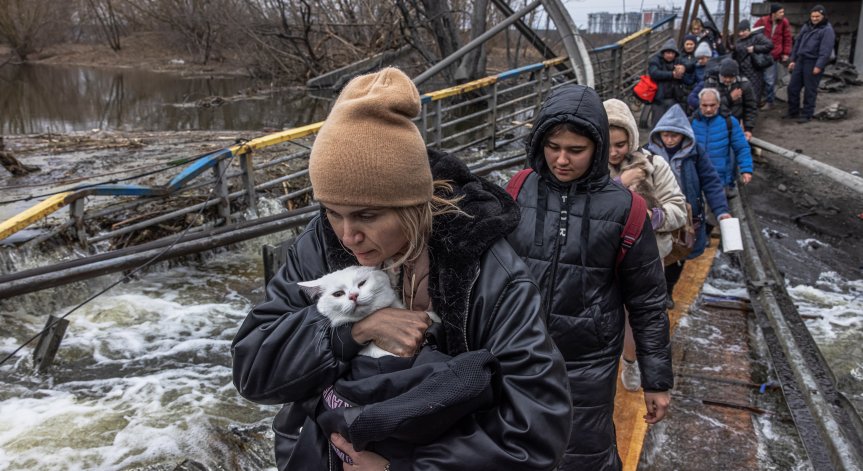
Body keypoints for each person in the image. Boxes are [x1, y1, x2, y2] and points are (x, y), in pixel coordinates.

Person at [231, 67, 572, 470]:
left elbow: (538, 428)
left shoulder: (489, 270)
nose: (347, 235)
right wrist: (352, 333)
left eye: (366, 215)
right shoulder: (317, 244)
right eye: (332, 212)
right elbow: (253, 370)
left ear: (412, 206)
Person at [506, 84, 673, 470]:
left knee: (582, 454)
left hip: (587, 361)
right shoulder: (519, 188)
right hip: (517, 351)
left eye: (575, 150)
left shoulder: (626, 209)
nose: (561, 160)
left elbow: (648, 302)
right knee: (515, 449)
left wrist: (656, 380)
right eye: (552, 147)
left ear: (597, 147)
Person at [604, 98, 687, 392]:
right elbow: (585, 211)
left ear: (632, 139)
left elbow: (679, 208)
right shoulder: (588, 167)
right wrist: (620, 184)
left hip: (646, 257)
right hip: (602, 258)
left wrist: (652, 218)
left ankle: (630, 361)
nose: (614, 152)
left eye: (621, 144)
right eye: (608, 144)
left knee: (634, 315)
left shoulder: (654, 165)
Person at [645, 104, 730, 309]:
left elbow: (710, 181)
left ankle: (668, 290)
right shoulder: (648, 154)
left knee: (679, 253)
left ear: (683, 135)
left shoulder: (694, 153)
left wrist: (721, 211)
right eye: (666, 135)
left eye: (674, 136)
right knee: (655, 252)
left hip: (686, 215)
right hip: (658, 213)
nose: (670, 140)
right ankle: (652, 292)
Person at [691, 88, 754, 189]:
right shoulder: (690, 122)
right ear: (699, 104)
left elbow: (741, 147)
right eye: (704, 105)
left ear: (718, 104)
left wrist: (746, 169)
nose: (708, 109)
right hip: (696, 177)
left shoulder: (729, 122)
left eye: (712, 105)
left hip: (719, 178)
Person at [786, 5, 836, 123]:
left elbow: (826, 50)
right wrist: (793, 60)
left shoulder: (827, 30)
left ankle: (807, 114)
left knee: (810, 90)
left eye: (817, 16)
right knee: (792, 87)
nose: (814, 18)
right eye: (812, 16)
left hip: (813, 62)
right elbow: (797, 43)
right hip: (800, 60)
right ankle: (793, 111)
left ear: (823, 16)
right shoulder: (806, 26)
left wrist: (819, 66)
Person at [688, 58, 759, 140]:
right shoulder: (711, 82)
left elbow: (750, 107)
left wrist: (748, 128)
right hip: (715, 123)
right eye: (725, 76)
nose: (728, 80)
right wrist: (729, 98)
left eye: (731, 77)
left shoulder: (744, 84)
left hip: (735, 124)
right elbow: (710, 106)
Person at [754, 3, 793, 109]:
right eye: (780, 12)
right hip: (761, 53)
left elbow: (787, 38)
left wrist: (785, 53)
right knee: (758, 78)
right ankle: (757, 100)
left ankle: (769, 101)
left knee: (770, 80)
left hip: (773, 55)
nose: (782, 14)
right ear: (773, 13)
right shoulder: (762, 21)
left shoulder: (784, 23)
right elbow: (754, 34)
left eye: (783, 12)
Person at [648, 39, 691, 127]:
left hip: (674, 98)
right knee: (658, 125)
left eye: (672, 53)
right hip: (658, 100)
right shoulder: (655, 60)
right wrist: (672, 75)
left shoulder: (678, 60)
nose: (670, 55)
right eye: (668, 53)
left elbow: (690, 64)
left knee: (673, 125)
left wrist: (683, 68)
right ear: (663, 52)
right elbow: (654, 73)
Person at [732, 20, 774, 103]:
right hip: (742, 72)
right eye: (740, 32)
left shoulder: (757, 37)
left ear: (748, 30)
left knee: (754, 95)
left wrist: (755, 48)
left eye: (743, 31)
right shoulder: (738, 41)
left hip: (755, 71)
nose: (741, 34)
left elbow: (769, 45)